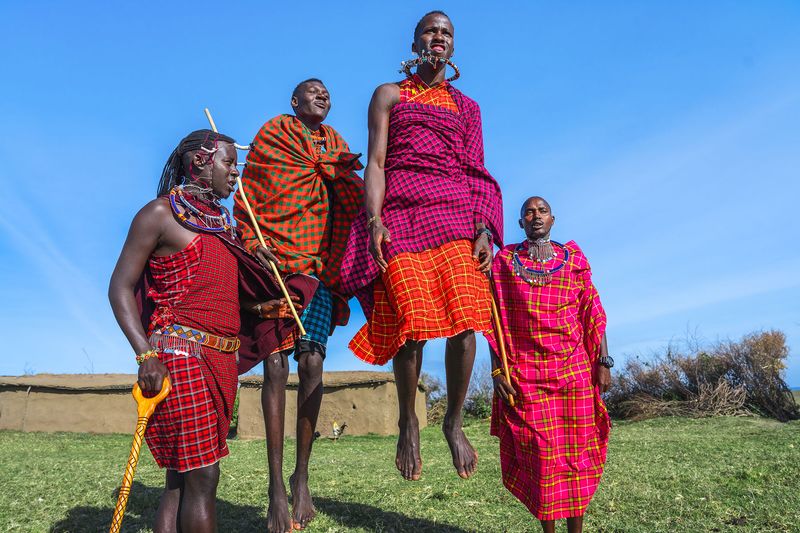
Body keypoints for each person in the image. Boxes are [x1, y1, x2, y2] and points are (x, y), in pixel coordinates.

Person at [109, 130, 314, 533]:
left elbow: (225, 294)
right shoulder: (159, 214)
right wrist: (145, 354)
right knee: (203, 476)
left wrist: (263, 274)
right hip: (178, 356)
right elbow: (119, 286)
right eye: (229, 164)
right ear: (200, 162)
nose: (236, 174)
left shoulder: (225, 226)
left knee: (179, 481)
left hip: (221, 361)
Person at [340, 11, 503, 482]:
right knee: (411, 322)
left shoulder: (467, 107)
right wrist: (373, 221)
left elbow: (477, 170)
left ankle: (452, 420)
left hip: (454, 215)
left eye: (446, 32)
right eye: (431, 30)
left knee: (467, 317)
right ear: (415, 42)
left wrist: (485, 229)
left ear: (453, 46)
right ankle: (409, 417)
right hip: (403, 215)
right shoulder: (389, 94)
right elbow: (375, 162)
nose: (439, 37)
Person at [234, 79, 363, 531]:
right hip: (274, 264)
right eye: (312, 91)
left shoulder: (338, 145)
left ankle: (301, 476)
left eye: (327, 92)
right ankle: (274, 489)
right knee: (274, 366)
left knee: (312, 365)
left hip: (317, 268)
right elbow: (247, 200)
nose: (322, 96)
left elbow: (351, 199)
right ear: (294, 101)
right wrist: (254, 244)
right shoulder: (273, 136)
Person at [488, 196, 613, 533]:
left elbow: (592, 311)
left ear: (553, 220)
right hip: (526, 374)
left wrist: (603, 360)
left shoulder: (573, 258)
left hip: (573, 372)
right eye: (529, 212)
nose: (536, 216)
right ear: (520, 224)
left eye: (542, 211)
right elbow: (493, 320)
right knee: (541, 458)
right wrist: (498, 370)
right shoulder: (503, 263)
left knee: (575, 459)